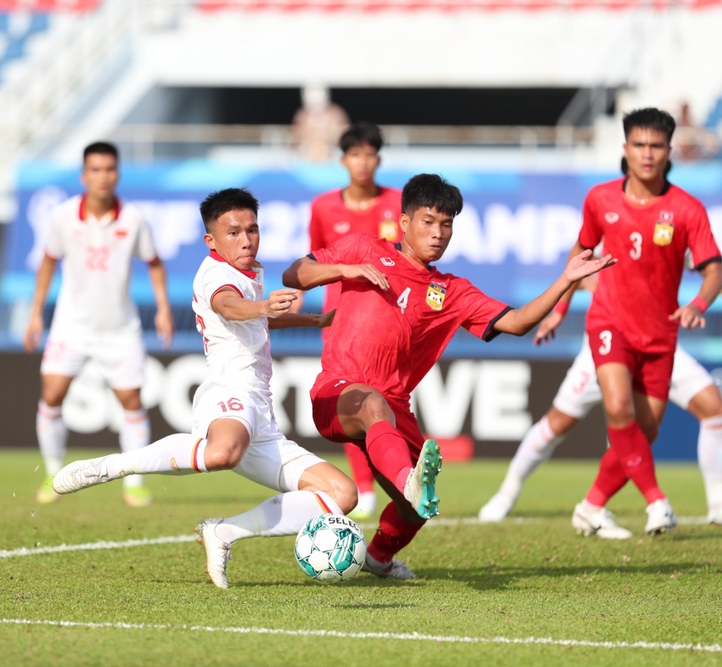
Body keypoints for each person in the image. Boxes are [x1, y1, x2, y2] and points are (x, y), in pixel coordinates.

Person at [282, 173, 615, 579]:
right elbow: (294, 273)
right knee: (375, 410)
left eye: (447, 224)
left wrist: (566, 280)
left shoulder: (451, 290)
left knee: (417, 507)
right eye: (427, 221)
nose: (438, 233)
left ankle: (378, 557)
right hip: (338, 391)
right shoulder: (362, 247)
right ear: (404, 222)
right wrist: (347, 268)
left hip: (392, 408)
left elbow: (516, 323)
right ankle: (407, 479)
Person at [53, 188, 357, 589]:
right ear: (211, 240)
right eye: (233, 232)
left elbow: (253, 319)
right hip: (228, 391)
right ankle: (113, 466)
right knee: (221, 453)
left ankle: (224, 532)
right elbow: (229, 307)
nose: (246, 239)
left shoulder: (251, 269)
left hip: (261, 415)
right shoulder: (216, 274)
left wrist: (311, 321)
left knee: (341, 494)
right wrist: (265, 306)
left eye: (252, 229)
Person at [533, 108, 722, 538]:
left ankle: (591, 506)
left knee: (644, 430)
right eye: (639, 145)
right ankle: (657, 500)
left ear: (669, 150)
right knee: (617, 407)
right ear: (625, 149)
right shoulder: (600, 199)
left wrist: (698, 302)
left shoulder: (687, 209)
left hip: (660, 333)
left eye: (656, 145)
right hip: (609, 322)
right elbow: (579, 256)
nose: (647, 153)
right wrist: (559, 309)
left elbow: (715, 269)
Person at [479, 294, 722, 530]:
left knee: (713, 410)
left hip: (657, 340)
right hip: (609, 341)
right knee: (558, 422)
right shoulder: (606, 250)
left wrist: (699, 302)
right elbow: (580, 263)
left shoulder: (670, 248)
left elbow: (710, 266)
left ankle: (717, 505)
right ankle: (506, 493)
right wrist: (561, 310)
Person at [23, 141, 174, 507]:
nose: (102, 176)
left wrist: (163, 308)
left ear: (117, 173)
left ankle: (134, 484)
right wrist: (35, 312)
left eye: (109, 169)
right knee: (52, 395)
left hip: (119, 328)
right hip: (71, 326)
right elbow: (47, 261)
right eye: (95, 169)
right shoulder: (62, 216)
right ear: (84, 174)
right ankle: (53, 472)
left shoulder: (133, 218)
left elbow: (154, 263)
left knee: (131, 401)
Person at [305, 121, 403, 519]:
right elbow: (315, 261)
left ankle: (394, 476)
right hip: (341, 320)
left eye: (370, 154)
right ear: (343, 160)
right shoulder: (324, 206)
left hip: (391, 318)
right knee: (352, 397)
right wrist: (300, 296)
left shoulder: (398, 204)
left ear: (379, 159)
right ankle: (364, 488)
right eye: (355, 154)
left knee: (385, 400)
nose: (363, 162)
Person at [291, 83, 349, 163]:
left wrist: (327, 139)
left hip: (332, 155)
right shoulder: (302, 116)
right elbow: (296, 139)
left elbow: (345, 136)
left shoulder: (335, 114)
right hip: (307, 156)